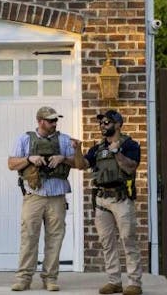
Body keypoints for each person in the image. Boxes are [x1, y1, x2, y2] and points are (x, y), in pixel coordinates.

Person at [7, 106, 83, 292]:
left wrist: (64, 158)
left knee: (55, 238)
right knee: (29, 237)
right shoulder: (24, 139)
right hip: (34, 196)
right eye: (51, 120)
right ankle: (23, 279)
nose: (54, 123)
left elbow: (81, 165)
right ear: (40, 121)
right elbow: (11, 164)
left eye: (56, 120)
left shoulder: (65, 140)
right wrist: (29, 159)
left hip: (57, 196)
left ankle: (50, 278)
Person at [78, 110, 142, 295]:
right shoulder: (97, 149)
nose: (102, 125)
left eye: (107, 122)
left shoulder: (130, 144)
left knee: (128, 240)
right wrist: (76, 149)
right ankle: (114, 281)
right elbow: (83, 164)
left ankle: (134, 283)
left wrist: (116, 152)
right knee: (107, 242)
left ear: (117, 124)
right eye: (101, 123)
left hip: (121, 199)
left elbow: (131, 168)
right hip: (101, 200)